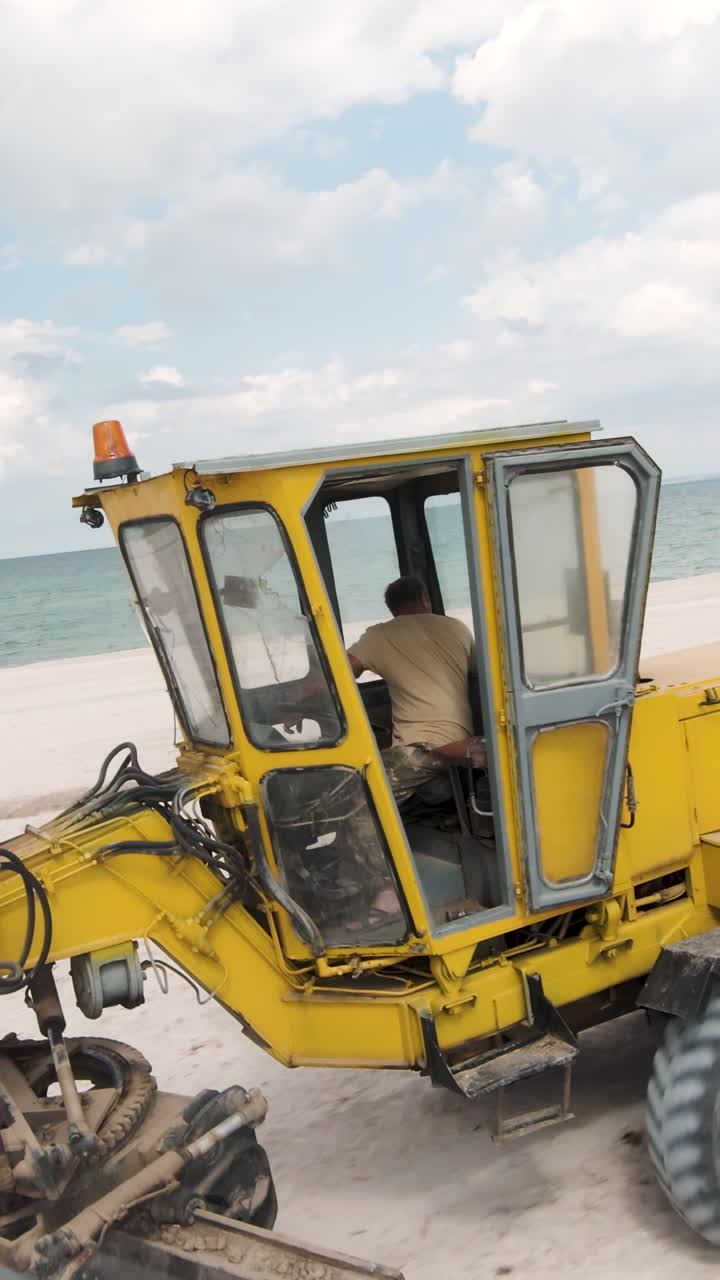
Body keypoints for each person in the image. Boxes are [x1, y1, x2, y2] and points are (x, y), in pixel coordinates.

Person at [285, 577, 485, 924]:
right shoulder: (455, 628)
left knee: (358, 797)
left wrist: (294, 702)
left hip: (422, 750)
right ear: (424, 598)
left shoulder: (380, 635)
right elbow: (477, 671)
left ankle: (387, 894)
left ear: (391, 608)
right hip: (458, 741)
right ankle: (351, 877)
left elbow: (334, 675)